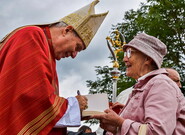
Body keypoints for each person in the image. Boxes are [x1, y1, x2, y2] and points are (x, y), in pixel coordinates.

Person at [0, 0, 108, 134]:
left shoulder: (47, 53)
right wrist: (73, 105)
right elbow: (31, 99)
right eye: (77, 47)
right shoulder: (32, 36)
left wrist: (78, 110)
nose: (74, 55)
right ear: (67, 30)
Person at [92, 33, 185, 135]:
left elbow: (157, 132)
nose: (124, 59)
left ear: (147, 59)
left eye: (129, 53)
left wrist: (120, 123)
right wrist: (115, 128)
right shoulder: (147, 85)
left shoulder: (161, 85)